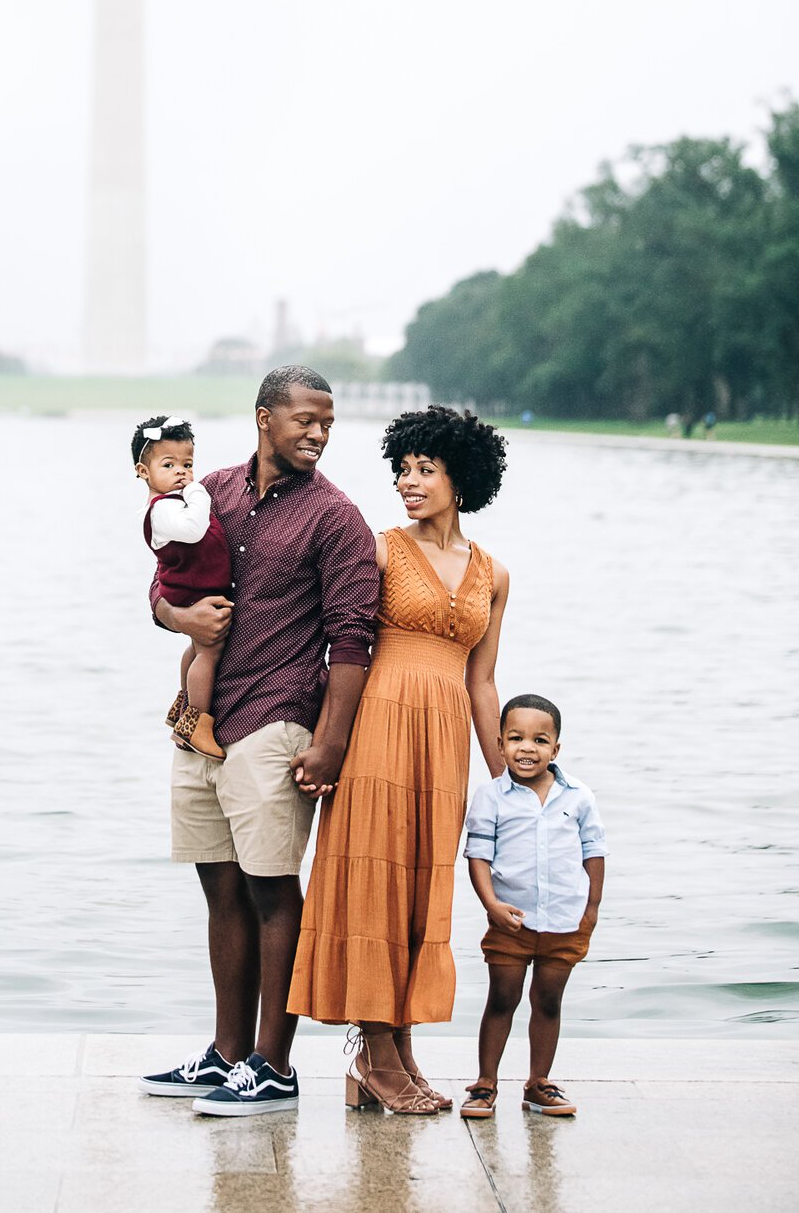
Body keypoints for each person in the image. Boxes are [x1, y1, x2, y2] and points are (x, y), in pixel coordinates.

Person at [139, 366, 377, 1117]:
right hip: (202, 721)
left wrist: (331, 743)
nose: (317, 433)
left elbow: (353, 639)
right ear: (263, 417)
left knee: (273, 890)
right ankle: (228, 1054)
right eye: (305, 419)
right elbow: (162, 585)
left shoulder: (337, 518)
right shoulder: (207, 489)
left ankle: (274, 1066)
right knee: (218, 886)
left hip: (277, 720)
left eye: (327, 424)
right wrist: (181, 622)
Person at [289, 405, 512, 1115]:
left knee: (421, 890)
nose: (409, 483)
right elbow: (337, 640)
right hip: (378, 732)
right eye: (402, 470)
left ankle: (399, 1052)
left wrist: (509, 777)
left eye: (425, 469)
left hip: (443, 741)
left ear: (461, 476)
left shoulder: (494, 573)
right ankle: (376, 1052)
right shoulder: (380, 549)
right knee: (374, 884)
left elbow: (482, 681)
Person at [460, 694, 607, 1120]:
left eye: (540, 740)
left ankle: (538, 1083)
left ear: (556, 749)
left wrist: (591, 909)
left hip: (565, 920)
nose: (527, 748)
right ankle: (486, 1083)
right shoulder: (491, 797)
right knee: (501, 999)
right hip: (511, 922)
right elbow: (478, 856)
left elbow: (594, 851)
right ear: (500, 743)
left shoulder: (578, 796)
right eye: (516, 738)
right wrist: (491, 905)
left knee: (548, 1001)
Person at [135, 413, 234, 761]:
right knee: (209, 652)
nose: (181, 471)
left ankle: (183, 707)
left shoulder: (172, 503)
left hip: (195, 585)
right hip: (192, 591)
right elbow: (193, 530)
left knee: (197, 649)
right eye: (169, 464)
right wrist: (197, 490)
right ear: (143, 472)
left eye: (187, 464)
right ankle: (198, 723)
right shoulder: (162, 509)